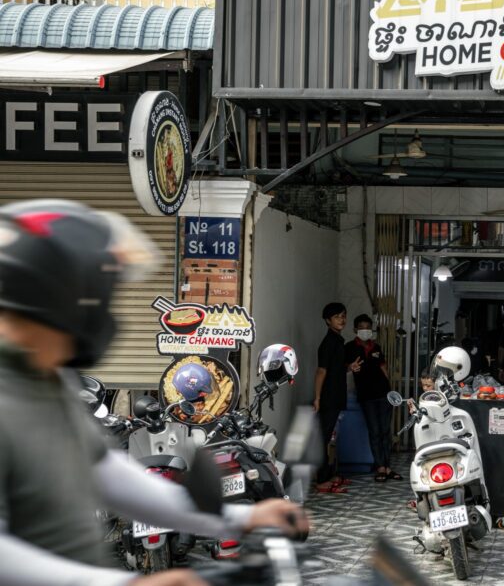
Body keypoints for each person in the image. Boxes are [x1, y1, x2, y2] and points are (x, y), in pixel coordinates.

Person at [0, 200, 308, 586]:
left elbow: (112, 478)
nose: (106, 311)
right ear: (60, 296)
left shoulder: (50, 383)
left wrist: (241, 517)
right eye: (100, 293)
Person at [347, 314, 400, 483]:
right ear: (355, 330)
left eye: (368, 328)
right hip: (366, 396)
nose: (365, 331)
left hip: (384, 394)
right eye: (362, 328)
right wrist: (350, 367)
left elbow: (383, 368)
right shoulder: (349, 347)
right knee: (375, 431)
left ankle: (388, 466)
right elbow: (342, 367)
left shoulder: (376, 347)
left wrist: (390, 390)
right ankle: (380, 467)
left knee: (385, 431)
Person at [313, 301, 357, 491]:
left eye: (343, 316)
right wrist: (317, 398)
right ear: (327, 320)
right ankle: (322, 481)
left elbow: (336, 369)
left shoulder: (338, 341)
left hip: (336, 396)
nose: (342, 320)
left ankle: (330, 475)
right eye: (337, 317)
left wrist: (349, 367)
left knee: (330, 437)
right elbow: (321, 371)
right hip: (328, 398)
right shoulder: (329, 342)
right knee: (323, 439)